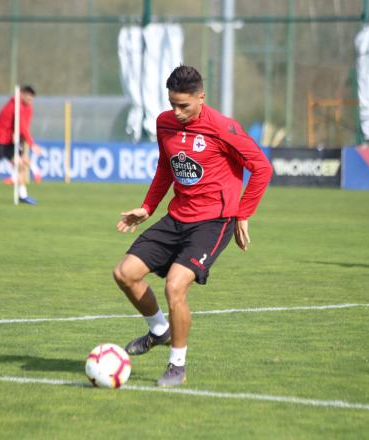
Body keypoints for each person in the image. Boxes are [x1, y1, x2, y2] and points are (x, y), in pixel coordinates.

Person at [113, 65, 273, 387]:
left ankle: (177, 365)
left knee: (175, 286)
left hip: (213, 221)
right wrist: (147, 206)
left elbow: (262, 168)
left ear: (202, 98)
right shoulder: (164, 123)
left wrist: (243, 213)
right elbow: (165, 168)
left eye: (184, 105)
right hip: (177, 216)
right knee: (124, 273)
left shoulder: (224, 128)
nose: (177, 111)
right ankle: (159, 331)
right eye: (172, 103)